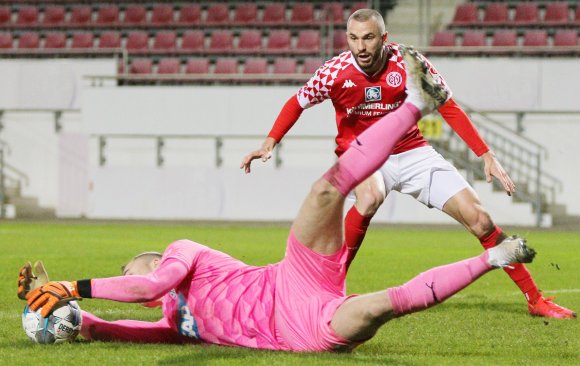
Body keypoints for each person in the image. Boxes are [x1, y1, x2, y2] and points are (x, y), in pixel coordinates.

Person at [20, 49, 538, 352]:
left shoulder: (182, 254)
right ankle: (493, 257)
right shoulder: (174, 325)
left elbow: (146, 285)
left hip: (293, 277)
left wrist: (75, 284)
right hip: (301, 330)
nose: (140, 266)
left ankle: (413, 108)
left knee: (325, 188)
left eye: (139, 262)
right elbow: (124, 326)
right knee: (388, 306)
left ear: (155, 256)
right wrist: (74, 319)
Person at [240, 9, 575, 319]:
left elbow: (447, 105)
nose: (361, 46)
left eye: (368, 37)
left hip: (413, 152)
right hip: (362, 154)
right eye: (354, 38)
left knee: (481, 220)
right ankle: (330, 289)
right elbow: (296, 102)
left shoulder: (409, 62)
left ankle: (535, 300)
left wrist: (484, 153)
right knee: (368, 198)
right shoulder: (334, 72)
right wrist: (270, 141)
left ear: (384, 38)